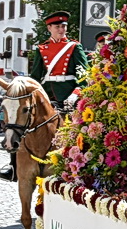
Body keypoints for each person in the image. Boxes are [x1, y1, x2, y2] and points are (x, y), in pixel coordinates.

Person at [5, 11, 84, 181]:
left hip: (69, 96)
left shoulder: (74, 47)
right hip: (47, 95)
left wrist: (75, 94)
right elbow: (35, 77)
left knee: (82, 127)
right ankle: (13, 165)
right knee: (22, 122)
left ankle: (84, 164)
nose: (61, 29)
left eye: (63, 26)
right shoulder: (41, 49)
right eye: (57, 26)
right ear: (49, 28)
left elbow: (85, 75)